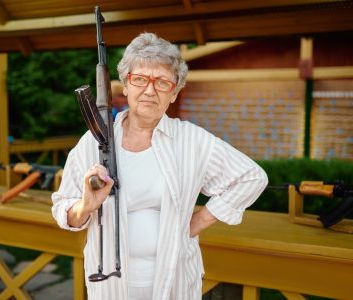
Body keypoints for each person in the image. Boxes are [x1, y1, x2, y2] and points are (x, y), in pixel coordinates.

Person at [51, 32, 268, 300]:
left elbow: (251, 177)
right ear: (126, 85)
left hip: (175, 284)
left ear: (174, 93)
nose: (150, 90)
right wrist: (86, 206)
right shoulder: (93, 141)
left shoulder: (192, 140)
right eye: (140, 79)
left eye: (163, 82)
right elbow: (63, 209)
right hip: (109, 287)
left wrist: (198, 221)